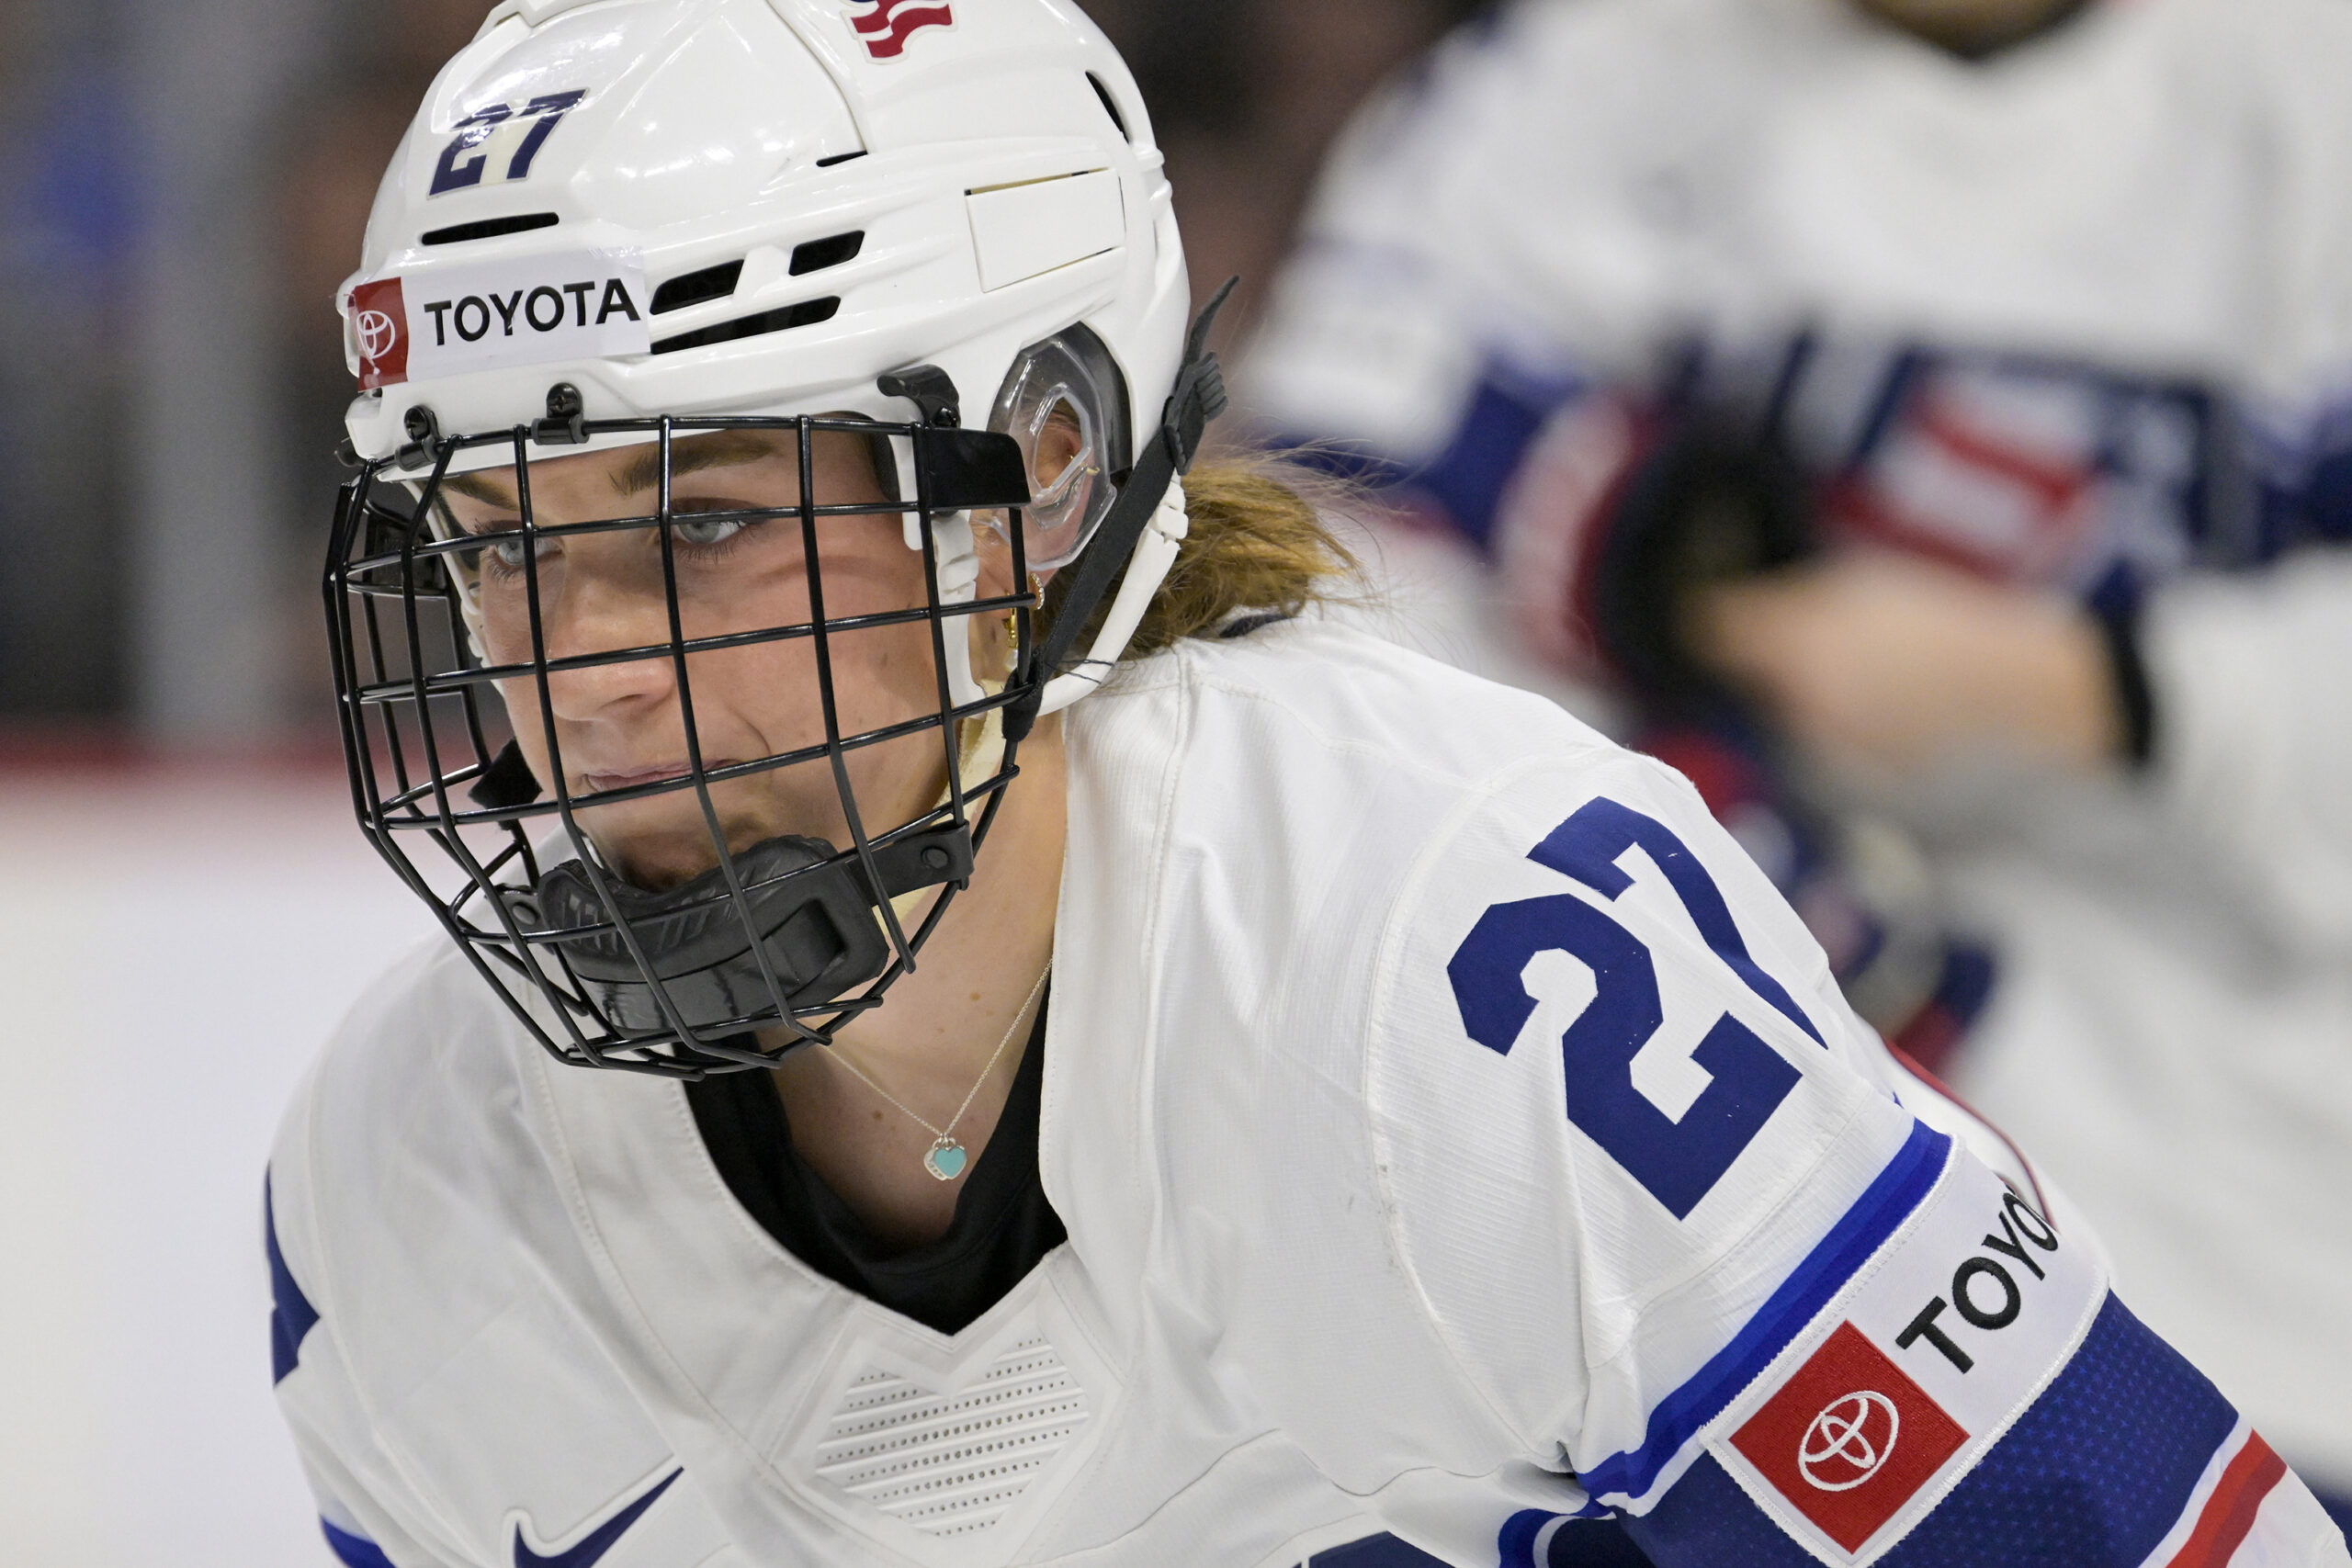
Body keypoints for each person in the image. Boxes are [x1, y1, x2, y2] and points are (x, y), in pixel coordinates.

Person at [267, 2, 2347, 1565]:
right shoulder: (409, 1182)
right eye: (497, 543)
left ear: (1041, 480)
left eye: (702, 521)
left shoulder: (1479, 962)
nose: (588, 673)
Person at [1245, 0, 2352, 1525]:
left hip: (2252, 1234)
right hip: (1701, 1187)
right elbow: (1320, 560)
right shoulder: (1575, 71)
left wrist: (2107, 690)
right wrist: (1680, 829)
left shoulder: (2305, 83)